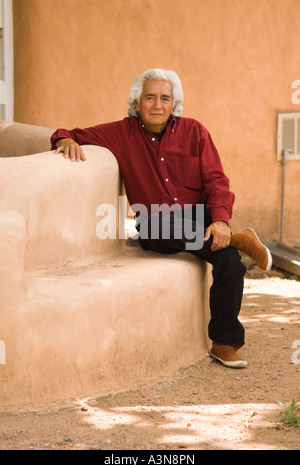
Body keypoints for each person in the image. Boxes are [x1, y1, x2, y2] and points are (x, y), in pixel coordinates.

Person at [51, 68, 272, 369]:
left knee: (230, 262)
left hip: (199, 217)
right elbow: (70, 133)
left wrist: (220, 220)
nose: (157, 105)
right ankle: (239, 238)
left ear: (174, 104)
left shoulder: (195, 131)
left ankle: (224, 342)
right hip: (158, 223)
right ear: (137, 102)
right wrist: (64, 140)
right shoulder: (122, 132)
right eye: (150, 97)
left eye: (164, 98)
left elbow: (216, 180)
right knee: (154, 225)